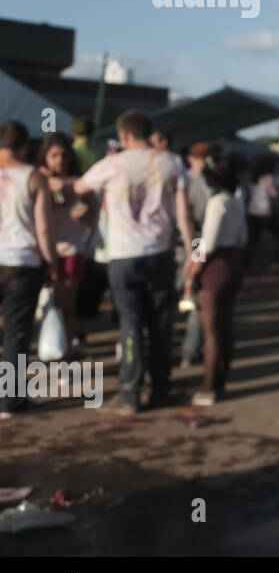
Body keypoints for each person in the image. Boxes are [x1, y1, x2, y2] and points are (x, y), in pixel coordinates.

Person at [75, 111, 192, 414]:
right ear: (149, 133)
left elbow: (78, 189)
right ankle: (160, 389)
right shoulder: (172, 162)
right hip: (160, 253)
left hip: (123, 255)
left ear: (124, 135)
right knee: (161, 323)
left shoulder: (112, 165)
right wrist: (195, 254)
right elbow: (184, 215)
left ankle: (129, 393)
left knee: (130, 322)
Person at [0, 121, 61, 418]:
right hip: (21, 262)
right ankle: (10, 399)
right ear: (24, 147)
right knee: (16, 331)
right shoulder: (33, 178)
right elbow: (44, 228)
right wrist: (52, 261)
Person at [184, 152, 247, 405]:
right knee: (225, 325)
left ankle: (209, 387)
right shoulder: (236, 202)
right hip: (233, 262)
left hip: (214, 267)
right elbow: (243, 237)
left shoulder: (216, 203)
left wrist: (192, 267)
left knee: (210, 330)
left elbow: (207, 243)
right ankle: (220, 381)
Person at [36, 133, 96, 353]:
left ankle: (62, 353)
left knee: (65, 307)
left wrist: (85, 213)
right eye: (53, 155)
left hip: (70, 251)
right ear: (44, 157)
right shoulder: (37, 181)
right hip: (41, 252)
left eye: (63, 155)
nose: (59, 160)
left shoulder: (78, 184)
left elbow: (92, 213)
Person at [179, 142, 213, 368]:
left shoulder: (181, 179)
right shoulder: (213, 182)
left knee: (172, 297)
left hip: (176, 243)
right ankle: (189, 351)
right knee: (195, 298)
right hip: (202, 241)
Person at [244, 157, 279, 270]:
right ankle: (277, 261)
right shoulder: (268, 178)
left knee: (252, 240)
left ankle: (246, 263)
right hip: (266, 212)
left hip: (252, 211)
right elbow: (274, 194)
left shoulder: (251, 178)